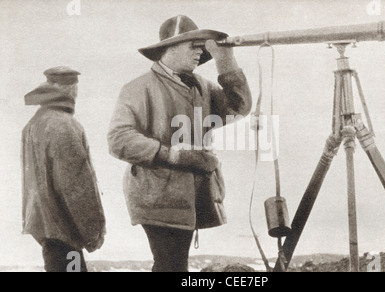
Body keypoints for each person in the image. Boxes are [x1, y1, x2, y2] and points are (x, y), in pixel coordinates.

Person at [107, 15, 252, 272]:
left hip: (189, 198)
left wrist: (225, 60)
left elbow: (238, 107)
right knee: (171, 263)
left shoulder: (202, 87)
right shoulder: (138, 88)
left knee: (172, 264)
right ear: (170, 47)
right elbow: (119, 139)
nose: (200, 52)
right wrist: (174, 156)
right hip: (158, 196)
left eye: (202, 46)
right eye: (193, 46)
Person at [21, 66, 106, 272]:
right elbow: (76, 185)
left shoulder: (33, 124)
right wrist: (94, 233)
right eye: (75, 85)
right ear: (71, 88)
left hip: (46, 230)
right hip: (66, 233)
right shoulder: (63, 125)